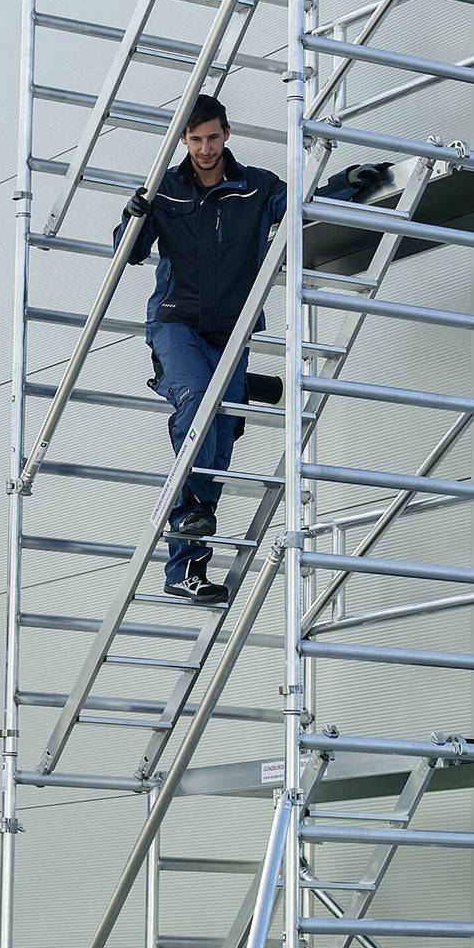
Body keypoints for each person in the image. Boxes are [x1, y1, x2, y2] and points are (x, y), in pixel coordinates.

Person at [119, 96, 286, 605]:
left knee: (220, 436)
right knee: (195, 399)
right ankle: (189, 525)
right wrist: (133, 216)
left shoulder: (256, 186)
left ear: (227, 134)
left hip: (232, 329)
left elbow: (304, 204)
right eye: (195, 140)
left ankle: (183, 568)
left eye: (212, 137)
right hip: (177, 321)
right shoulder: (165, 189)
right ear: (183, 141)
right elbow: (127, 252)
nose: (205, 148)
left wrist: (354, 185)